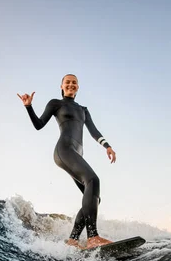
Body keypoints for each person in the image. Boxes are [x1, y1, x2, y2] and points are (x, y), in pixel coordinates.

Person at [17, 74, 116, 249]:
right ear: (62, 86)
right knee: (94, 180)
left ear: (78, 87)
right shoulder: (56, 103)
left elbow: (94, 131)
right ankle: (93, 237)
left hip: (77, 153)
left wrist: (107, 146)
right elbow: (39, 124)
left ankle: (73, 240)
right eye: (67, 82)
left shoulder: (83, 110)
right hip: (64, 150)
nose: (71, 84)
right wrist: (29, 106)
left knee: (94, 196)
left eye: (74, 82)